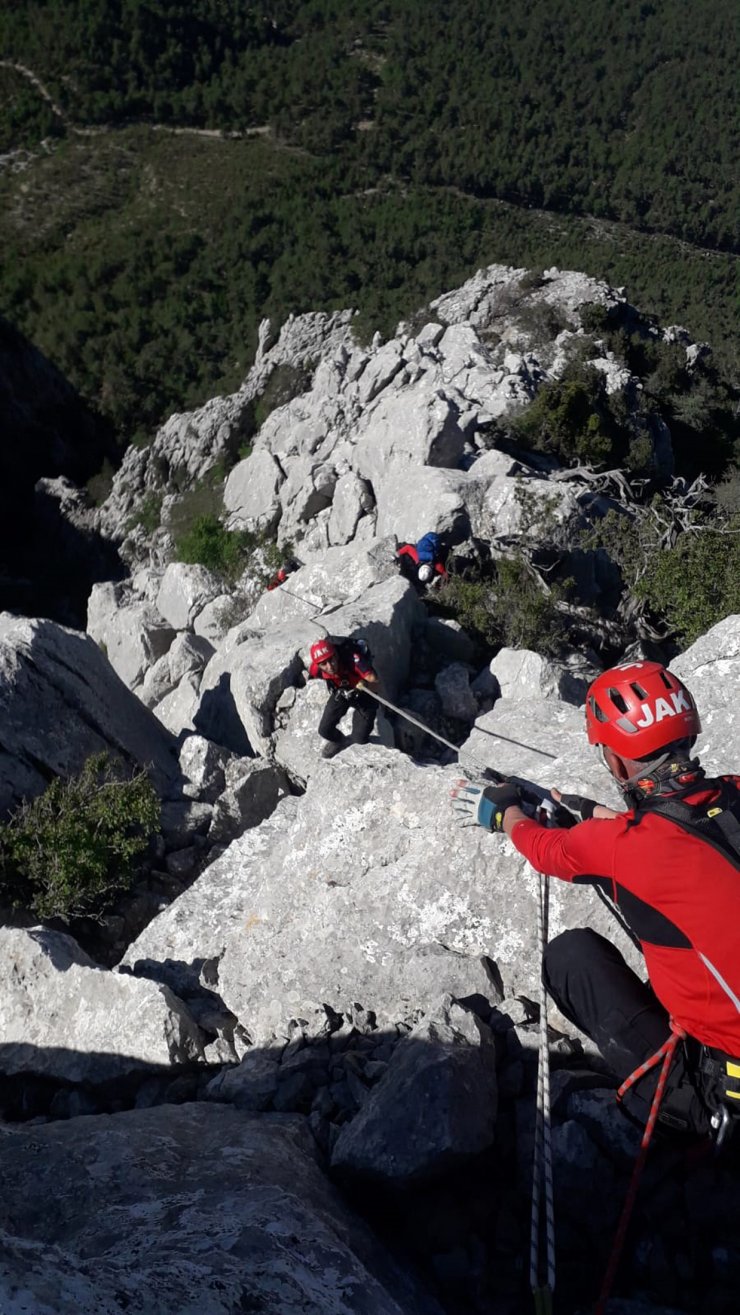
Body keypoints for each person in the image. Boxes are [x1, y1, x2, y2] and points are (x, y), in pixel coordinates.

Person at [452, 660, 740, 1140]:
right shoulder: (732, 791)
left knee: (571, 957)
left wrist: (504, 812)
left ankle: (679, 1121)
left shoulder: (623, 848)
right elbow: (687, 830)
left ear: (617, 760)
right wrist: (590, 813)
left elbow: (544, 849)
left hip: (725, 1091)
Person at [308, 635, 380, 758]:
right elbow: (313, 674)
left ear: (336, 654)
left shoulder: (353, 660)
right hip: (342, 692)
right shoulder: (316, 669)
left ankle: (357, 741)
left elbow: (375, 681)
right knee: (325, 730)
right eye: (324, 664)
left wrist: (365, 684)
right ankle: (340, 741)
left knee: (359, 739)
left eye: (331, 660)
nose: (329, 667)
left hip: (364, 696)